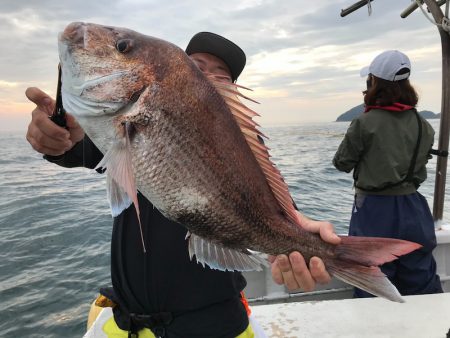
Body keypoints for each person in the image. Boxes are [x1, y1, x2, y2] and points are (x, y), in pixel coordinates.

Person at [26, 31, 339, 338]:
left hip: (216, 325)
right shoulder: (122, 122)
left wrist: (296, 227)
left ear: (231, 89)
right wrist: (58, 136)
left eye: (222, 75)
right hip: (128, 323)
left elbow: (264, 194)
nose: (209, 77)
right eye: (198, 66)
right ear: (179, 69)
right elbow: (82, 149)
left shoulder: (240, 144)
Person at [333, 50, 443, 298]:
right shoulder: (423, 124)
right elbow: (420, 165)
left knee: (372, 280)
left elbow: (342, 163)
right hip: (414, 208)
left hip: (374, 210)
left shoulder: (364, 122)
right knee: (421, 279)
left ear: (374, 82)